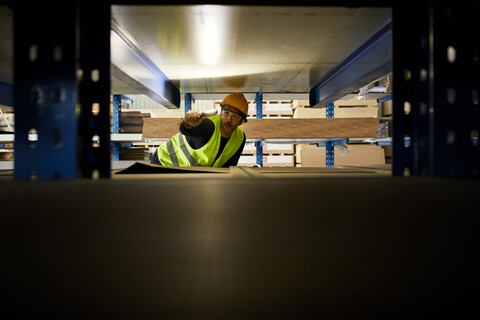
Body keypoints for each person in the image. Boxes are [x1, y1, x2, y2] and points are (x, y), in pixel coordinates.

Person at [150, 92, 248, 167]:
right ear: (221, 112)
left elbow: (228, 168)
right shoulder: (208, 126)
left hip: (184, 171)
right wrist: (188, 123)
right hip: (163, 161)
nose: (229, 119)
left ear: (241, 121)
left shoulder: (240, 138)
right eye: (226, 113)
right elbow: (187, 130)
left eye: (234, 116)